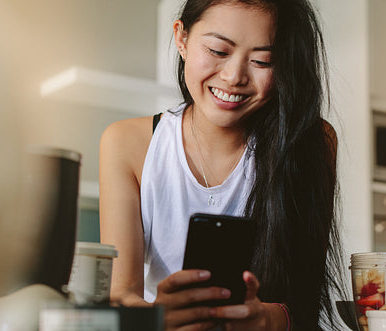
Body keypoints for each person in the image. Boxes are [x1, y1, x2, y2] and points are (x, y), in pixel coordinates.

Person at [100, 0, 346, 330]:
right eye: (218, 50)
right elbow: (121, 295)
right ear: (182, 39)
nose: (234, 77)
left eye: (263, 60)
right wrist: (156, 316)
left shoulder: (310, 143)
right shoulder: (126, 143)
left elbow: (303, 303)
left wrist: (265, 318)